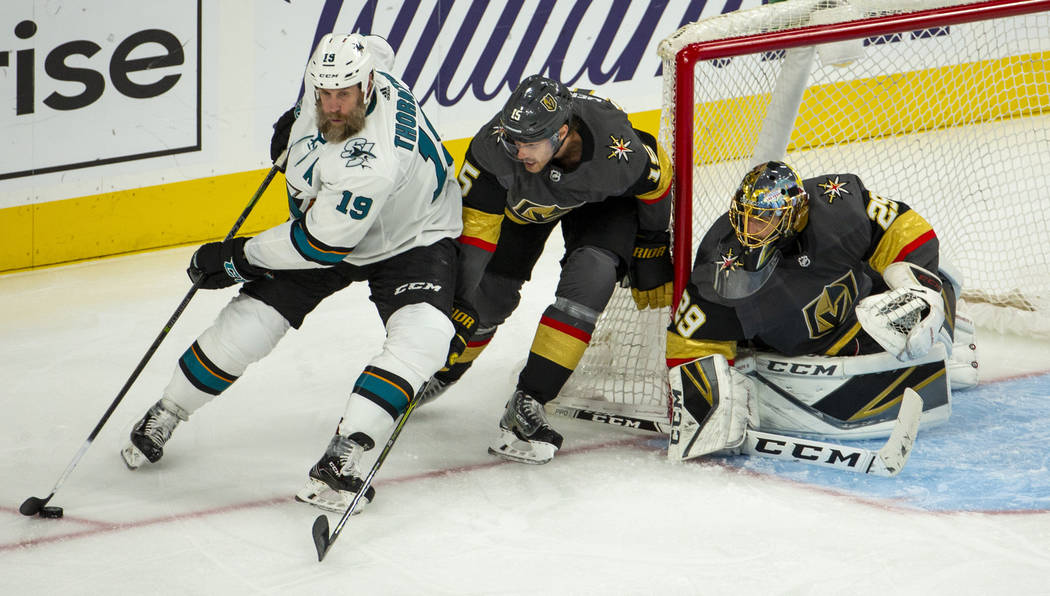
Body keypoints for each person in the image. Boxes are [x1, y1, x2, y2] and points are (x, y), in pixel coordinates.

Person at [120, 33, 463, 513]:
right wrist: (299, 127)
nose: (332, 104)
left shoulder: (374, 161)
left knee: (425, 336)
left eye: (343, 95)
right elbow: (374, 46)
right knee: (252, 321)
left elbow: (319, 245)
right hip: (335, 223)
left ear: (367, 86)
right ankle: (168, 410)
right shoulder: (351, 72)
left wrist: (239, 257)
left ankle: (345, 457)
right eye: (323, 93)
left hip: (413, 236)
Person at [418, 75, 674, 465]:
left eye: (530, 142)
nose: (519, 151)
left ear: (563, 133)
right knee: (489, 294)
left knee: (592, 279)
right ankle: (443, 371)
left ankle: (529, 401)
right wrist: (458, 305)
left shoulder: (616, 153)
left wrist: (652, 243)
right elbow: (474, 240)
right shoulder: (493, 150)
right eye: (514, 140)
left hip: (600, 203)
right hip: (524, 208)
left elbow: (658, 180)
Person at [664, 160, 979, 460]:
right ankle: (942, 343)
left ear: (793, 215)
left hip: (860, 315)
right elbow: (689, 338)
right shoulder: (723, 264)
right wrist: (705, 401)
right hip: (806, 345)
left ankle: (951, 328)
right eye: (747, 216)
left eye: (763, 218)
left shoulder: (838, 208)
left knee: (920, 297)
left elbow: (907, 228)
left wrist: (918, 289)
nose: (750, 228)